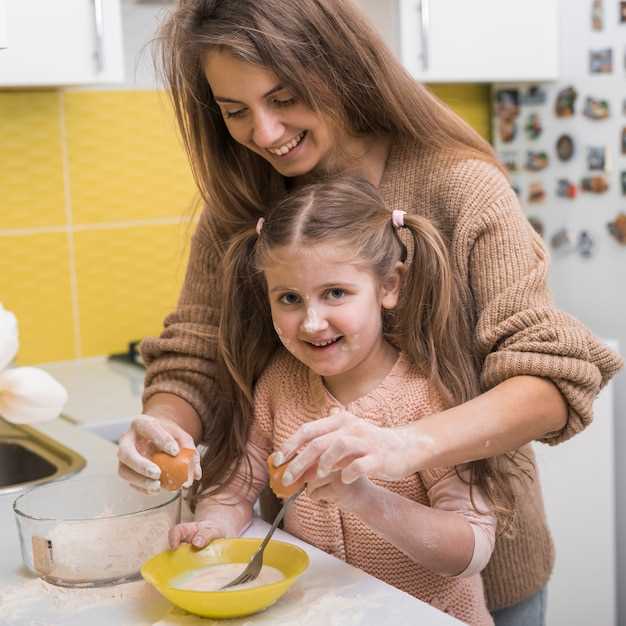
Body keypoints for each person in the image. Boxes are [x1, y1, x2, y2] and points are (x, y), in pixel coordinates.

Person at [116, 1, 623, 623]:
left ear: (340, 67)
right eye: (236, 112)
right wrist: (164, 427)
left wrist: (401, 446)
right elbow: (195, 352)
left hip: (478, 578)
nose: (266, 133)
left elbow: (550, 379)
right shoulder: (241, 203)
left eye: (285, 97)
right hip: (315, 578)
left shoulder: (458, 185)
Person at [174, 175, 505, 625]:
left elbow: (469, 549)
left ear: (389, 286)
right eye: (289, 298)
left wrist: (364, 498)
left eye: (335, 293)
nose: (312, 323)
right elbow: (236, 485)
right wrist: (213, 526)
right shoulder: (277, 385)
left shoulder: (428, 398)